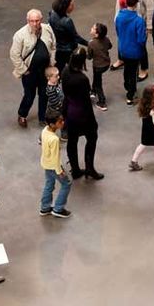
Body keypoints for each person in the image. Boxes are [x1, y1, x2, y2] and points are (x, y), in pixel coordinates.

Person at [62, 47, 104, 181]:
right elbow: (86, 100)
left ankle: (75, 169)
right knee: (92, 138)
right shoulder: (82, 79)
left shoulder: (65, 71)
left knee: (72, 141)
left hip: (69, 112)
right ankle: (90, 168)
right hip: (82, 114)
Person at [10, 9, 56, 128]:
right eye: (32, 21)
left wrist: (52, 62)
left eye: (37, 21)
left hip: (45, 70)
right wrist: (24, 70)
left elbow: (53, 46)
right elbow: (14, 55)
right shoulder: (20, 35)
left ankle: (42, 117)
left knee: (44, 94)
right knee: (29, 95)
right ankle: (22, 114)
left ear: (41, 20)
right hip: (30, 72)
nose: (35, 24)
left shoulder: (47, 29)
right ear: (27, 21)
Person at [112, 0, 154, 79]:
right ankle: (121, 59)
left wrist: (149, 26)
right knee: (121, 40)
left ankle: (143, 68)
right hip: (123, 20)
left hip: (137, 22)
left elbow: (150, 8)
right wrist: (116, 17)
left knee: (140, 45)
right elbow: (118, 2)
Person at [115, 0, 146, 105]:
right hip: (134, 51)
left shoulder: (119, 17)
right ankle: (130, 96)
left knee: (126, 69)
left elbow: (118, 31)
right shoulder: (139, 21)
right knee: (133, 73)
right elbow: (141, 40)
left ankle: (126, 84)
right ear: (136, 4)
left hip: (123, 48)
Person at [39, 109, 72, 218]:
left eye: (62, 120)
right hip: (53, 166)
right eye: (60, 121)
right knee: (66, 184)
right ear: (53, 124)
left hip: (46, 163)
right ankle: (58, 208)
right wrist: (60, 171)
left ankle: (45, 208)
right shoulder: (54, 139)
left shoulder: (45, 130)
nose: (63, 123)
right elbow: (55, 158)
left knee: (49, 185)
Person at [49, 0, 88, 72]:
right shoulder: (67, 21)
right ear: (65, 6)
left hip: (57, 47)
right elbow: (76, 37)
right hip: (68, 49)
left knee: (59, 68)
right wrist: (88, 43)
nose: (73, 7)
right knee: (73, 68)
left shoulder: (52, 14)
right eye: (71, 5)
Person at [87, 23, 111, 111]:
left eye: (93, 28)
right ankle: (93, 91)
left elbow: (89, 56)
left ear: (96, 34)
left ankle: (102, 102)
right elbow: (110, 46)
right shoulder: (106, 39)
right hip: (106, 63)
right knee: (96, 77)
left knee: (98, 83)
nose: (91, 28)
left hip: (98, 65)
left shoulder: (91, 43)